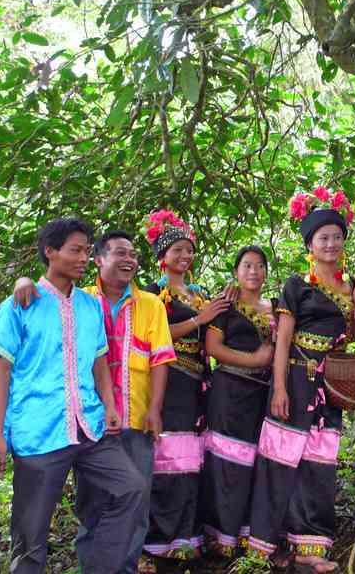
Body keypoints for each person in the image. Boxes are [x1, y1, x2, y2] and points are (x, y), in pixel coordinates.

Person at [11, 229, 176, 574]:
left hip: (135, 416)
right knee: (92, 505)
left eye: (133, 254)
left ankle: (124, 569)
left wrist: (155, 410)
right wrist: (23, 279)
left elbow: (161, 360)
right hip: (88, 424)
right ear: (98, 260)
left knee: (134, 501)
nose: (129, 259)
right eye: (119, 253)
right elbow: (43, 293)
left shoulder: (150, 304)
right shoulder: (81, 299)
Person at [0, 218, 145, 574]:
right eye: (75, 250)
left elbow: (100, 359)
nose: (83, 258)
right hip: (38, 434)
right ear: (50, 252)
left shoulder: (90, 306)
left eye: (87, 251)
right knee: (31, 536)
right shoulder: (19, 304)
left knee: (131, 488)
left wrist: (108, 404)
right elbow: (0, 370)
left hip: (90, 427)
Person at [248, 187, 355, 574]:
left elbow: (350, 337)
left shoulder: (351, 287)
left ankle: (309, 546)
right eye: (322, 238)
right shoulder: (297, 285)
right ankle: (266, 542)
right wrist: (279, 387)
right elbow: (283, 338)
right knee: (281, 459)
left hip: (329, 385)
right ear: (310, 246)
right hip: (296, 378)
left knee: (319, 461)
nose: (330, 244)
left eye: (336, 237)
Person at [142, 210, 230, 565]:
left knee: (193, 459)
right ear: (163, 257)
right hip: (171, 379)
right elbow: (154, 336)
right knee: (168, 459)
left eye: (189, 251)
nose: (185, 257)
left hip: (197, 381)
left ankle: (189, 536)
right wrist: (200, 318)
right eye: (178, 250)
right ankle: (159, 541)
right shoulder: (151, 294)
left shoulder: (198, 293)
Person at [200, 245, 276, 558]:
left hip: (261, 395)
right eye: (247, 265)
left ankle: (244, 534)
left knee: (253, 462)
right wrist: (254, 359)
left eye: (259, 266)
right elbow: (213, 348)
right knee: (225, 460)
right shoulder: (225, 306)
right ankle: (219, 536)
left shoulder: (275, 308)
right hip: (229, 391)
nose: (253, 271)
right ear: (236, 271)